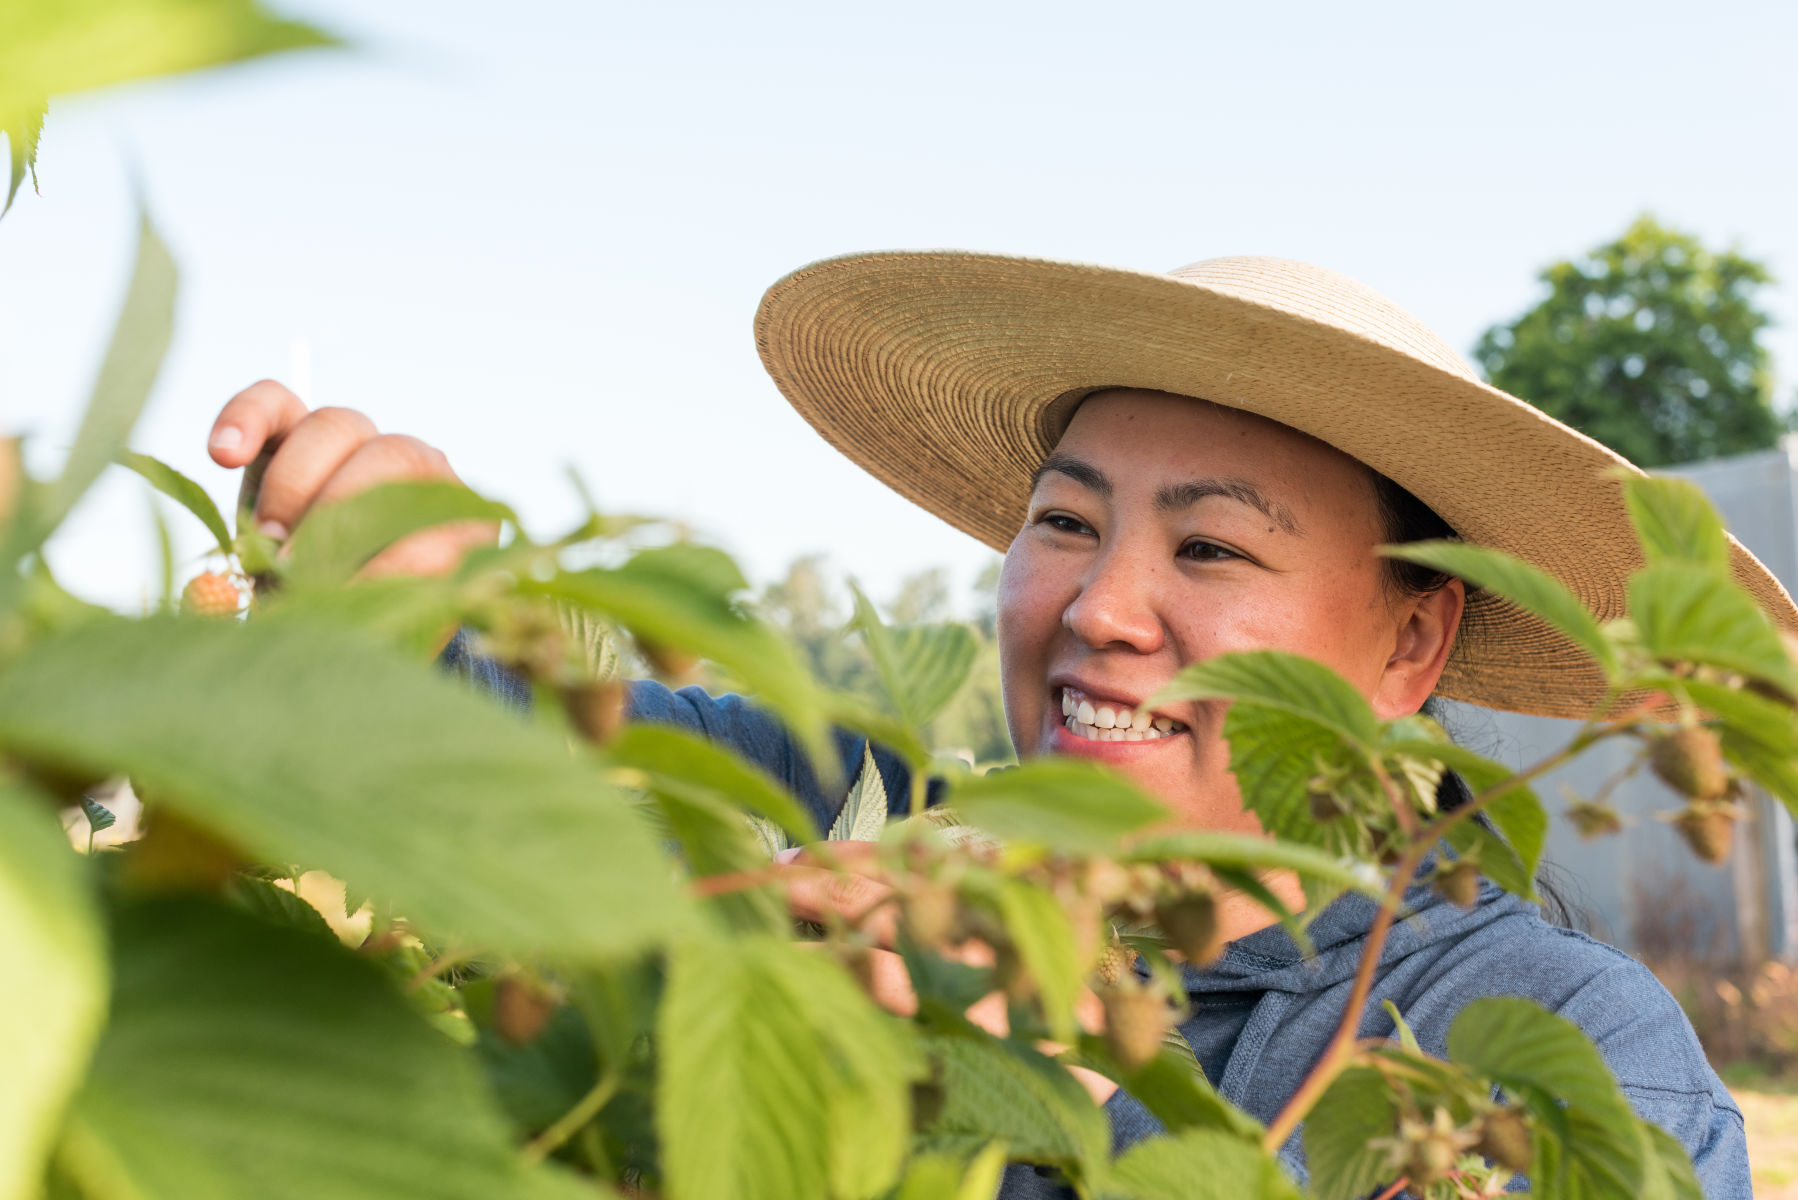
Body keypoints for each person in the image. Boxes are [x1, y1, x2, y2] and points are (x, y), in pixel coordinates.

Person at [206, 252, 1790, 1197]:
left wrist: (1080, 1115)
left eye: (1213, 547)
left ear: (1409, 639)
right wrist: (404, 590)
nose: (1098, 605)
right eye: (1062, 524)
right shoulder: (875, 810)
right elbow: (567, 748)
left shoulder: (1557, 1053)